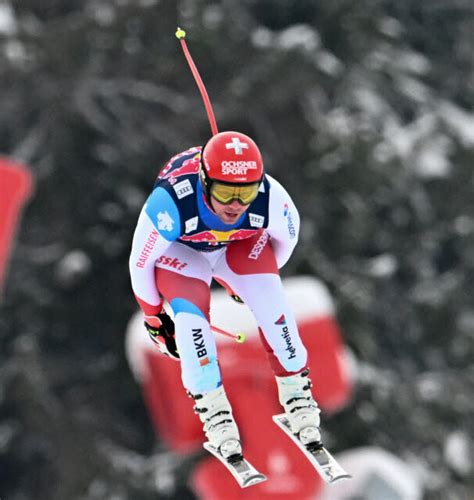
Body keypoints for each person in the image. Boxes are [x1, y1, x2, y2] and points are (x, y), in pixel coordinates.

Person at [129, 131, 321, 459]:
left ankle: (297, 395)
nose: (235, 205)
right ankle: (215, 412)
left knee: (272, 301)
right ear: (205, 182)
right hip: (183, 253)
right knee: (191, 323)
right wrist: (154, 315)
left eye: (245, 193)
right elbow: (140, 262)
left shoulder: (271, 197)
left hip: (238, 247)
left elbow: (284, 244)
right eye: (225, 192)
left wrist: (244, 284)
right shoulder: (171, 203)